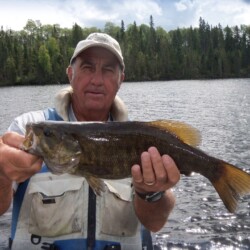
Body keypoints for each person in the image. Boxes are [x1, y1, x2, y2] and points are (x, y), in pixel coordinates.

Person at [0, 33, 180, 250]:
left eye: (108, 69)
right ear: (70, 74)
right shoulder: (28, 127)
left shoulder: (141, 138)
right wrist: (1, 172)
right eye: (87, 67)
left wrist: (152, 192)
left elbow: (155, 223)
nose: (97, 79)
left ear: (121, 79)